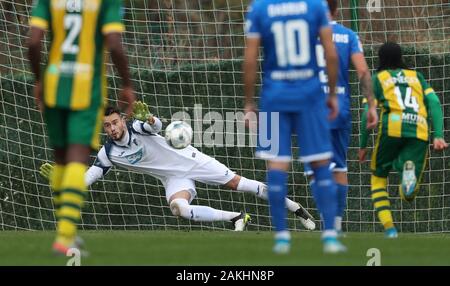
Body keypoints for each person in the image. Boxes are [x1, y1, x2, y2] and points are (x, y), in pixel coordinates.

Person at [40, 103, 316, 232]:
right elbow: (90, 176)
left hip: (192, 160)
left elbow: (155, 125)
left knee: (239, 184)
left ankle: (295, 208)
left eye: (115, 122)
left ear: (122, 120)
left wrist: (148, 117)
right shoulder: (108, 152)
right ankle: (236, 218)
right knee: (179, 209)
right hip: (173, 178)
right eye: (107, 126)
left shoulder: (137, 127)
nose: (112, 128)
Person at [28, 0, 135, 254]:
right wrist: (127, 84)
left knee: (61, 161)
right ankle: (65, 236)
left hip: (54, 85)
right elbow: (114, 43)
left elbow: (32, 42)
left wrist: (38, 80)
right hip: (87, 90)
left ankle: (66, 234)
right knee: (77, 158)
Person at [243, 0, 346, 253]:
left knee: (276, 164)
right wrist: (331, 95)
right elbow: (331, 54)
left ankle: (281, 238)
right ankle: (330, 236)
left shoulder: (259, 8)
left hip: (273, 97)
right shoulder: (315, 6)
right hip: (310, 96)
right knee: (321, 162)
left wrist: (248, 103)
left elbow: (250, 58)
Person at [304, 0, 378, 236]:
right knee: (339, 166)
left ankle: (328, 224)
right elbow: (364, 72)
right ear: (337, 9)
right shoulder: (349, 36)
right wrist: (372, 106)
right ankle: (336, 223)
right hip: (340, 108)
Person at [359, 42, 448, 238]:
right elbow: (433, 101)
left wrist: (363, 145)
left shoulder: (378, 78)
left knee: (378, 179)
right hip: (419, 129)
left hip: (392, 127)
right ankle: (406, 173)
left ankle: (390, 229)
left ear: (380, 59)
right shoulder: (417, 77)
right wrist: (439, 135)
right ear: (401, 57)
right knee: (408, 195)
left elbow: (367, 113)